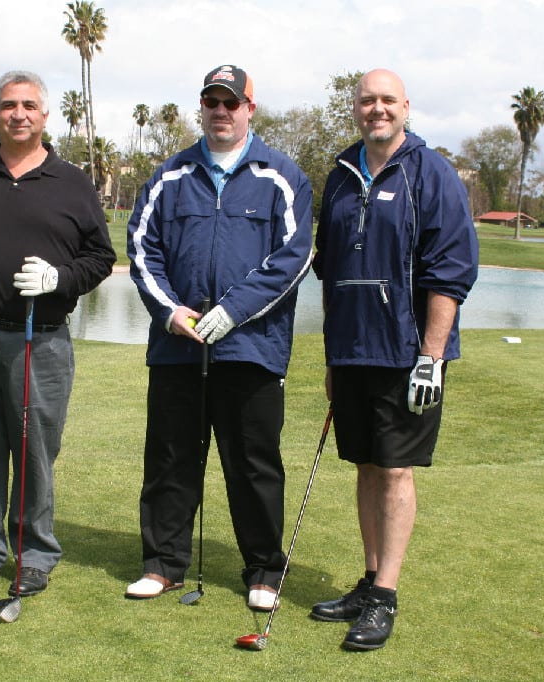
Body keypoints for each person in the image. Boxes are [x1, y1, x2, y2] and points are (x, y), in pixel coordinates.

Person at [125, 65, 313, 611]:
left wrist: (232, 311)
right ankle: (162, 564)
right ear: (201, 108)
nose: (221, 111)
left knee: (253, 462)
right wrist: (169, 312)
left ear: (250, 108)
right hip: (178, 345)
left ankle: (263, 571)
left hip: (252, 348)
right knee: (170, 457)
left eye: (232, 102)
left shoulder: (281, 175)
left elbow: (293, 257)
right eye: (212, 101)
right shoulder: (169, 175)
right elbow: (142, 252)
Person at [310, 69, 479, 650]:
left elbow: (450, 273)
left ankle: (385, 595)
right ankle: (369, 577)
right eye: (366, 101)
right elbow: (329, 272)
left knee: (397, 469)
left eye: (387, 100)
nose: (376, 109)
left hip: (408, 355)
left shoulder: (431, 174)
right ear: (355, 109)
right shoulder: (340, 175)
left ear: (405, 106)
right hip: (353, 351)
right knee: (364, 464)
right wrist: (333, 356)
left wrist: (432, 357)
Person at [0, 70, 116, 598]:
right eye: (8, 105)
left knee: (35, 448)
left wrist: (59, 278)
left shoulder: (72, 181)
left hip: (40, 340)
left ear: (45, 115)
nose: (18, 114)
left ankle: (35, 551)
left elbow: (101, 256)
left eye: (29, 106)